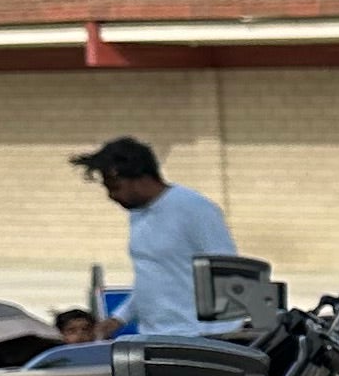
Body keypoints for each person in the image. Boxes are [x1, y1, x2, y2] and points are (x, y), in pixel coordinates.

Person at [72, 136, 239, 340]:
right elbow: (153, 278)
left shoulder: (194, 208)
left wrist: (218, 337)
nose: (111, 196)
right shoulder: (138, 214)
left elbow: (227, 272)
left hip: (194, 335)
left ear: (139, 177)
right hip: (154, 335)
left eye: (114, 187)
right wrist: (119, 318)